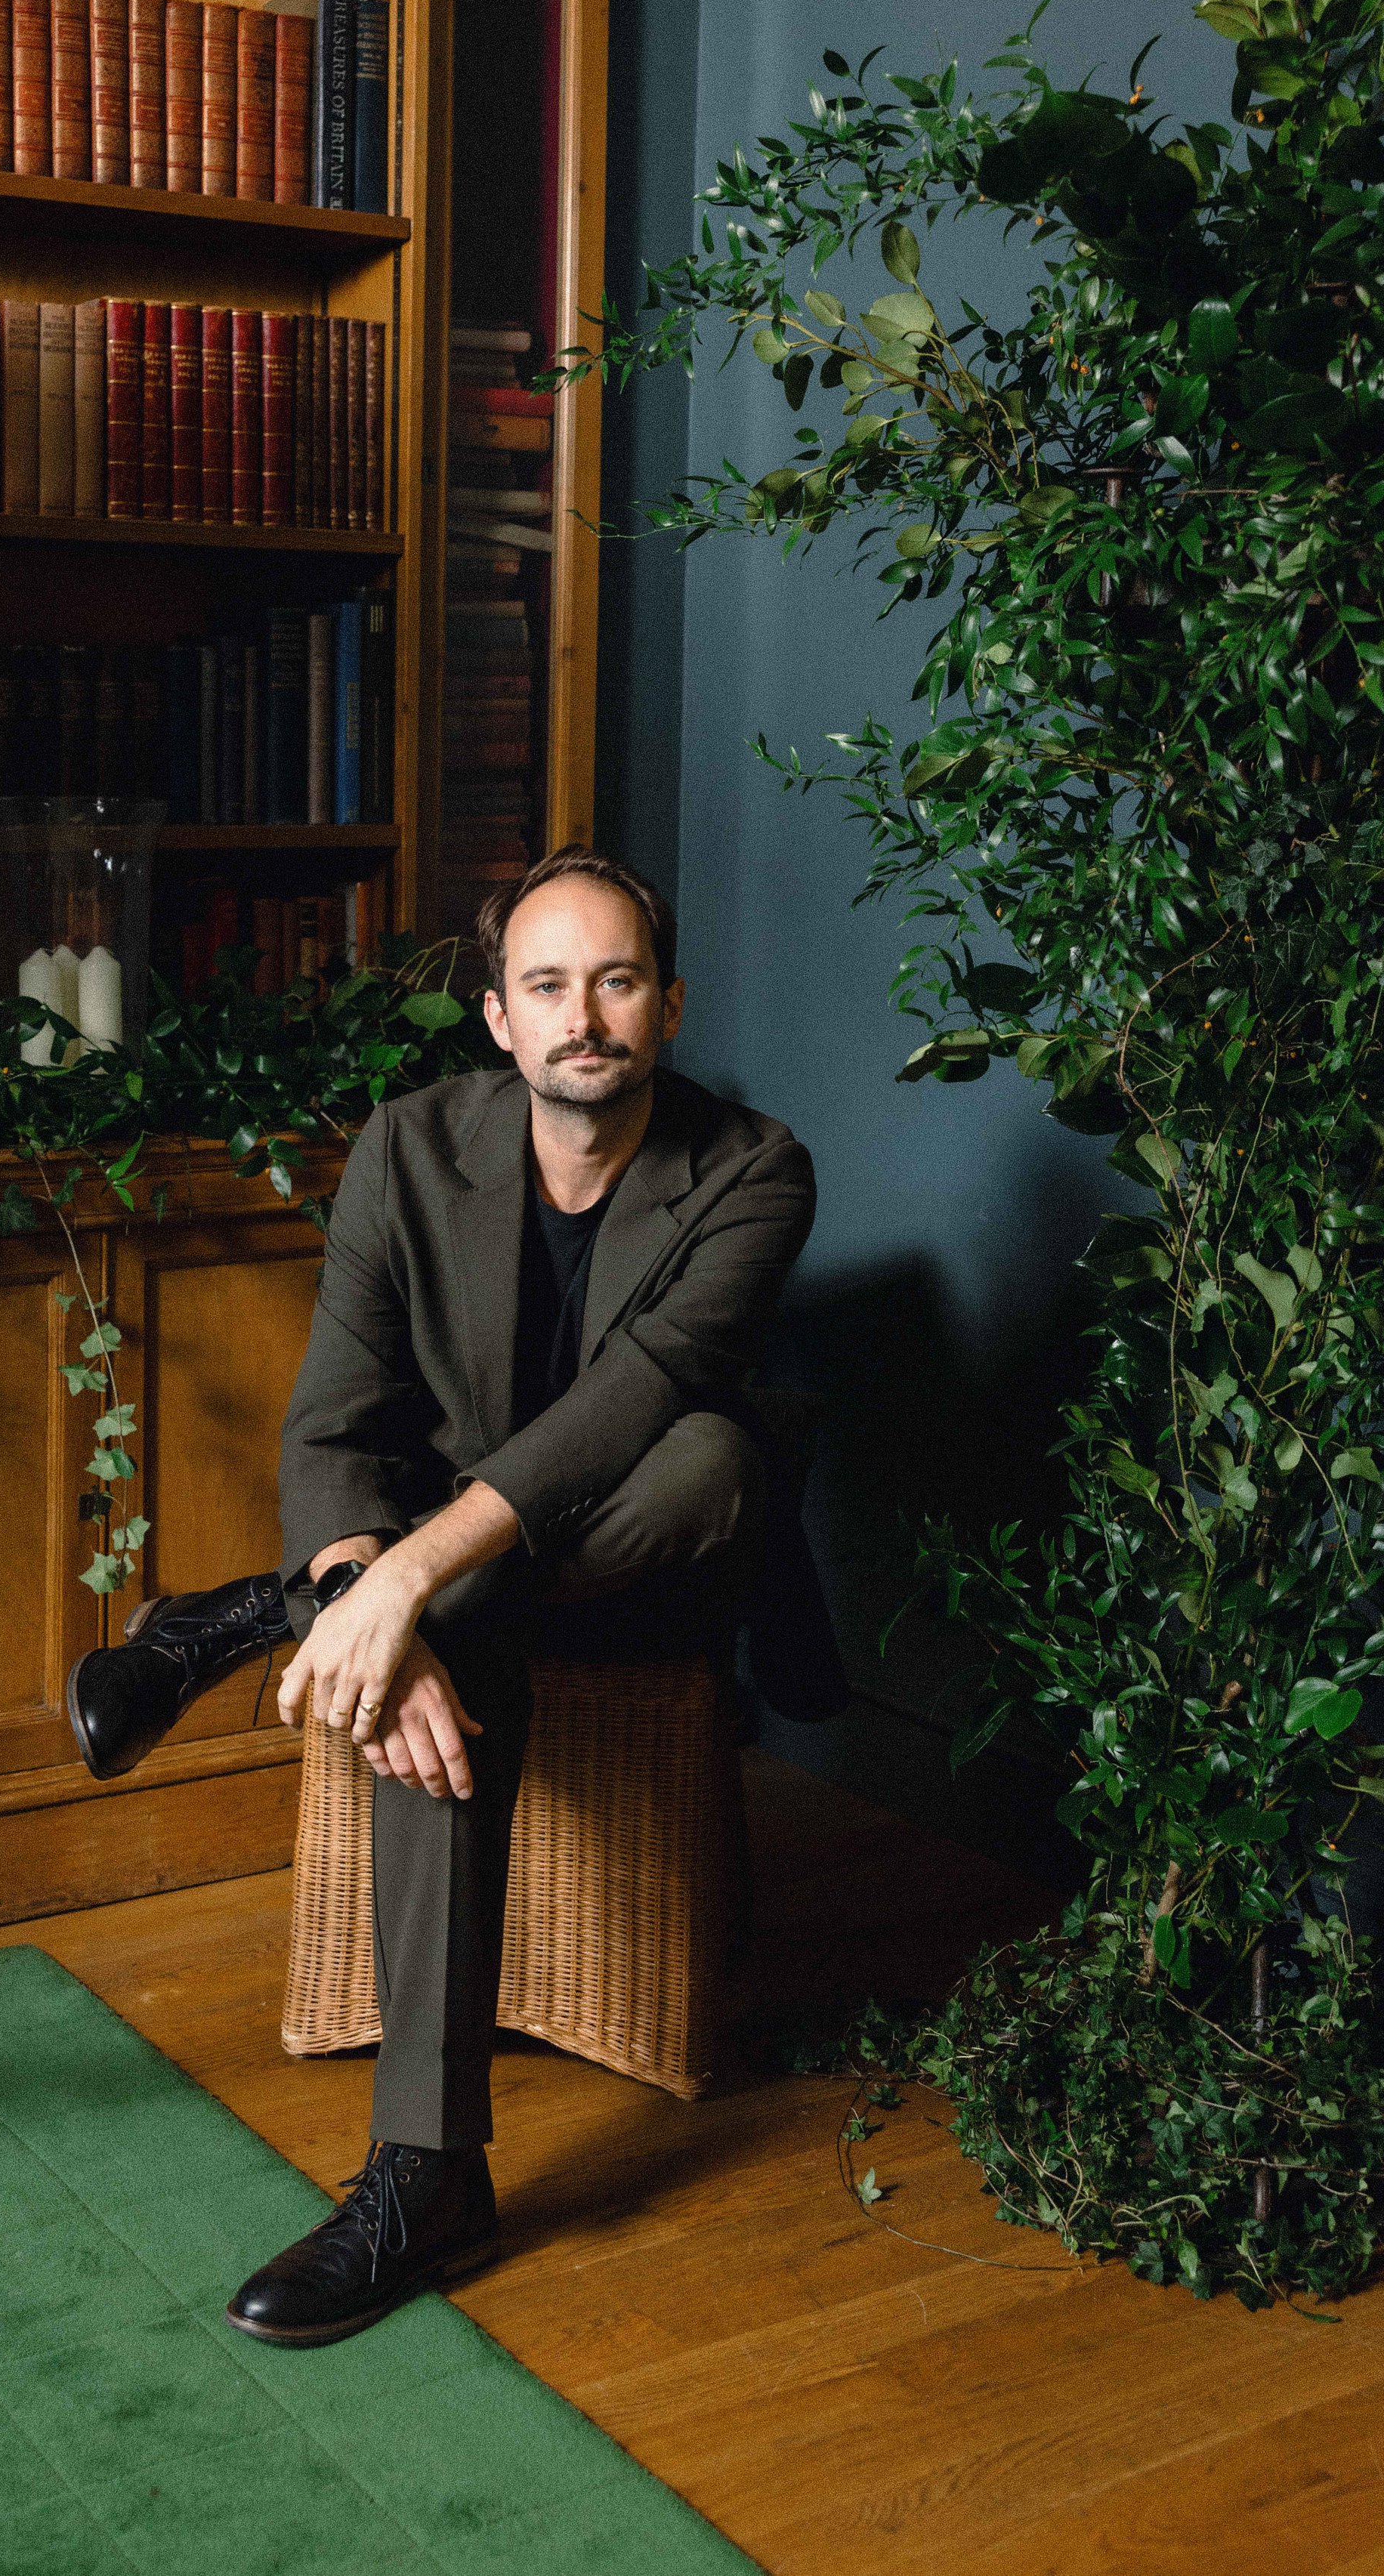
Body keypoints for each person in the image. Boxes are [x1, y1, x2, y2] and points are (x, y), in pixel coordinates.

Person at [219, 842, 835, 2347]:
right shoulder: (409, 1148)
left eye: (615, 980)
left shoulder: (755, 1169)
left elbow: (631, 1402)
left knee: (704, 1457)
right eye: (546, 984)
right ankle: (426, 2168)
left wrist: (398, 1580)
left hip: (655, 1556)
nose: (583, 1016)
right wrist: (393, 1584)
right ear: (496, 1015)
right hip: (480, 1589)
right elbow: (332, 1422)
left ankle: (248, 1615)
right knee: (455, 1640)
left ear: (668, 1003)